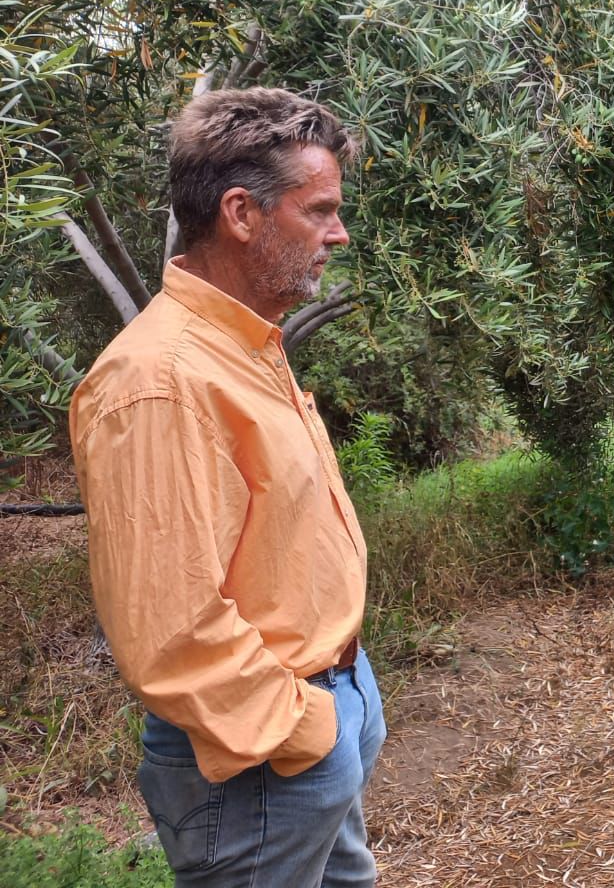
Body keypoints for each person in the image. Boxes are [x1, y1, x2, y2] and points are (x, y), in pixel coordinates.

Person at [70, 87, 384, 887]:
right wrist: (306, 727)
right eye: (319, 211)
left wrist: (345, 700)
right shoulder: (161, 380)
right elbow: (170, 633)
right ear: (241, 213)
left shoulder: (241, 342)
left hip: (318, 709)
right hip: (262, 757)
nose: (338, 234)